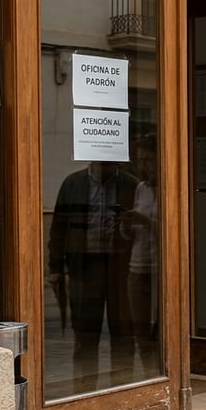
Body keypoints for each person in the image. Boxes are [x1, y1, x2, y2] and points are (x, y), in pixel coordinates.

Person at [48, 161, 138, 392]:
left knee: (123, 334)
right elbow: (59, 227)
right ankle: (85, 390)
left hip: (120, 267)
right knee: (85, 334)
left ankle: (124, 389)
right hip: (84, 267)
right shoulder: (73, 183)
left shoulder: (130, 184)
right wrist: (55, 267)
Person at [120, 136, 160, 376]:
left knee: (160, 331)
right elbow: (131, 235)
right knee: (140, 331)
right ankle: (148, 378)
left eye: (149, 160)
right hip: (137, 267)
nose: (144, 166)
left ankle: (162, 376)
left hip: (159, 267)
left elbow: (172, 231)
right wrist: (126, 225)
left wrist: (145, 221)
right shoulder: (141, 188)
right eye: (141, 160)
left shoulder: (170, 187)